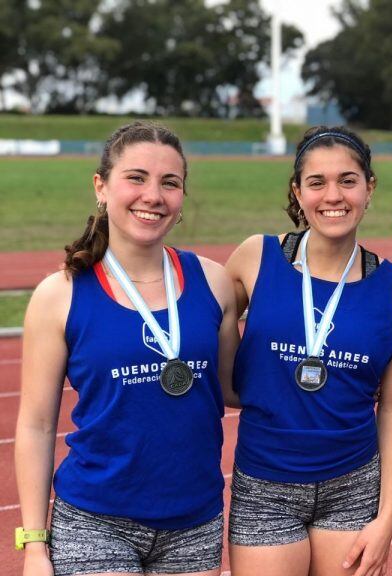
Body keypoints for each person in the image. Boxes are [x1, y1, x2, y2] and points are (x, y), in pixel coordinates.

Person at [14, 121, 239, 576]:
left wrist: (350, 376)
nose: (153, 196)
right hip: (96, 521)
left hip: (195, 521)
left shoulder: (214, 282)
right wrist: (35, 544)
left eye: (169, 183)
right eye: (136, 177)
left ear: (182, 197)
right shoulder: (59, 295)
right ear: (101, 186)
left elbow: (237, 388)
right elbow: (37, 425)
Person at [225, 126, 392, 576]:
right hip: (264, 482)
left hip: (352, 485)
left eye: (348, 180)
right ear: (298, 191)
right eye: (317, 182)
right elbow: (197, 326)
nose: (334, 195)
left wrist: (387, 518)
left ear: (369, 189)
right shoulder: (256, 257)